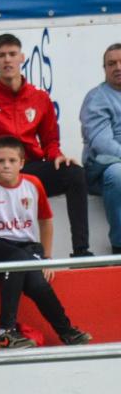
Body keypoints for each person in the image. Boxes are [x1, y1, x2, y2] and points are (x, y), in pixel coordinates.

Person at [0, 34, 92, 257]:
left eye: (12, 54)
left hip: (30, 168)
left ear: (22, 58)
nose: (7, 60)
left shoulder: (40, 97)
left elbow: (50, 141)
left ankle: (81, 251)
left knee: (74, 173)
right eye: (1, 55)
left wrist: (57, 155)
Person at [0, 137, 92, 349]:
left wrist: (47, 258)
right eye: (0, 161)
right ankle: (5, 333)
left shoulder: (33, 185)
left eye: (12, 160)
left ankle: (67, 332)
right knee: (18, 261)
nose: (6, 165)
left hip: (25, 247)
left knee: (38, 283)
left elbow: (45, 221)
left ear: (22, 163)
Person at [80, 43, 121, 254]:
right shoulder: (97, 98)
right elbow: (103, 145)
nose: (118, 67)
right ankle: (119, 246)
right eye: (111, 63)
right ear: (104, 68)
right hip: (103, 169)